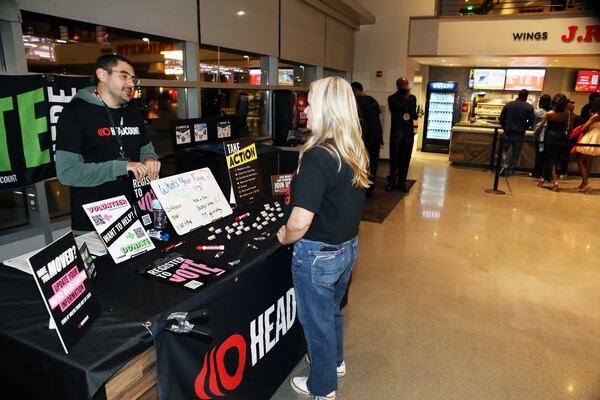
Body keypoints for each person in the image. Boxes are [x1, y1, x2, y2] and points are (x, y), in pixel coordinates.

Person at [277, 76, 370, 400]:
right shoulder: (354, 149)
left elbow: (300, 222)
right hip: (347, 247)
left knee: (316, 323)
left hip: (318, 254)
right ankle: (336, 362)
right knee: (331, 312)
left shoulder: (318, 156)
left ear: (327, 108)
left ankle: (322, 386)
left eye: (313, 101)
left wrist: (285, 237)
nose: (307, 107)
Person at [56, 54, 161, 234]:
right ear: (102, 75)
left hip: (134, 217)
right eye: (123, 75)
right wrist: (120, 167)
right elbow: (67, 173)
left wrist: (150, 159)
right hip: (94, 225)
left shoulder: (132, 111)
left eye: (133, 78)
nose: (131, 84)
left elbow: (146, 150)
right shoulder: (75, 113)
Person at [534, 94, 573, 192]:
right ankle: (542, 179)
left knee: (549, 158)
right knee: (554, 158)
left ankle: (555, 181)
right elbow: (569, 128)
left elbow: (540, 126)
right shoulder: (567, 114)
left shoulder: (549, 114)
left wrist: (535, 134)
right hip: (560, 137)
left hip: (550, 136)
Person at [351, 81, 383, 198]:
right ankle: (370, 188)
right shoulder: (372, 100)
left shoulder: (355, 102)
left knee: (361, 163)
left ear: (354, 91)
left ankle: (362, 188)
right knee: (373, 163)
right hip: (376, 136)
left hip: (364, 137)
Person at [387, 77, 418, 192]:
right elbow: (398, 107)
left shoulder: (412, 98)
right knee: (394, 158)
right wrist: (407, 97)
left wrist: (417, 114)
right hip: (397, 132)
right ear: (398, 85)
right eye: (404, 84)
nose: (406, 85)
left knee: (406, 158)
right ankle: (392, 182)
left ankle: (402, 182)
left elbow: (413, 114)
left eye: (407, 83)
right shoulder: (392, 98)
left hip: (408, 132)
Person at [498, 89, 535, 176]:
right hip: (520, 133)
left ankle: (504, 164)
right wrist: (524, 127)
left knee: (503, 149)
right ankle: (511, 170)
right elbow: (531, 121)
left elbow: (501, 118)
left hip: (508, 131)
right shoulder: (529, 107)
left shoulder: (509, 104)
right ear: (526, 96)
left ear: (518, 95)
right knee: (516, 152)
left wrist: (504, 127)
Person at [573, 97, 600, 193]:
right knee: (587, 162)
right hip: (597, 138)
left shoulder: (595, 116)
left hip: (591, 137)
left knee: (580, 160)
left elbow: (584, 127)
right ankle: (583, 184)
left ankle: (586, 183)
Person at [531, 94, 552, 179]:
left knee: (538, 155)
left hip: (539, 135)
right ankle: (544, 174)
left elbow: (534, 125)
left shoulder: (537, 112)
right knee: (545, 156)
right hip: (548, 136)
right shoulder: (552, 111)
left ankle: (536, 173)